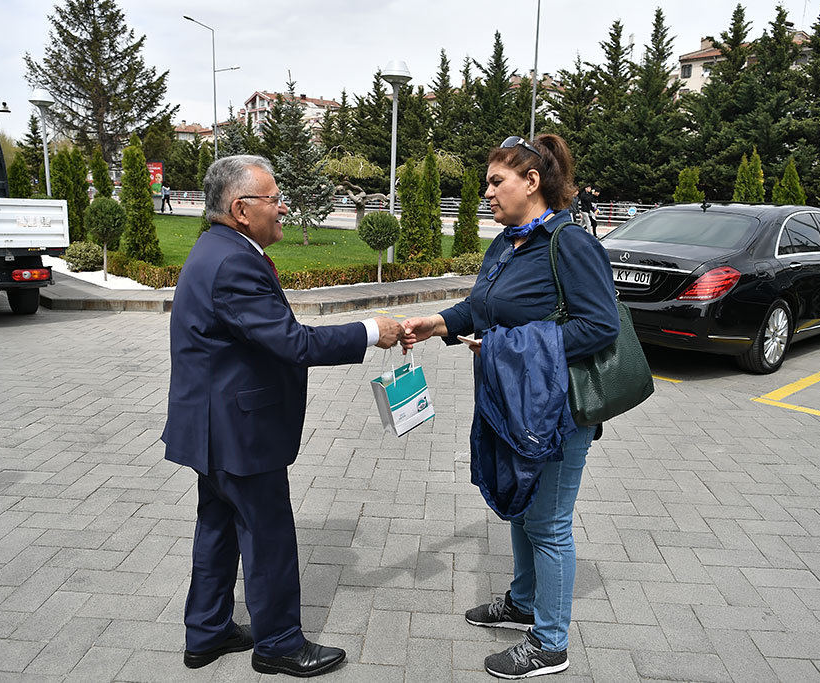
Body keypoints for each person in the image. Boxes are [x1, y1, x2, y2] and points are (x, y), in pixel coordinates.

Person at [162, 154, 403, 677]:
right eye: (273, 199)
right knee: (266, 534)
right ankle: (279, 645)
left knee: (218, 526)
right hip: (238, 431)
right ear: (242, 208)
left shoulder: (219, 249)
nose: (282, 207)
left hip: (217, 425)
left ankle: (207, 632)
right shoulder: (233, 262)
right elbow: (291, 342)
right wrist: (369, 330)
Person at [402, 134, 619, 679]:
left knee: (548, 523)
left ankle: (550, 643)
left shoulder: (569, 243)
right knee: (521, 508)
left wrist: (508, 346)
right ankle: (523, 603)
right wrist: (439, 323)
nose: (488, 193)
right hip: (510, 401)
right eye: (487, 183)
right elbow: (482, 305)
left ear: (532, 181)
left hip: (556, 410)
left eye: (497, 182)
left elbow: (600, 326)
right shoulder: (507, 244)